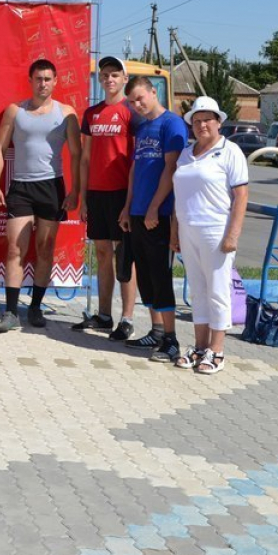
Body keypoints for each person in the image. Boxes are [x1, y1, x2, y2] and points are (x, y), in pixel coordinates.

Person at [0, 59, 81, 332]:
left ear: (55, 81)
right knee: (15, 248)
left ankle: (36, 307)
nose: (43, 84)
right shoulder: (15, 111)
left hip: (51, 187)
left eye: (48, 79)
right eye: (38, 79)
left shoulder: (67, 113)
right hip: (21, 188)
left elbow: (77, 155)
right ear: (30, 81)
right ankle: (10, 312)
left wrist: (76, 190)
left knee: (45, 248)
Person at [168, 97, 249, 375]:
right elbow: (179, 195)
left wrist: (232, 235)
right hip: (188, 229)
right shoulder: (185, 154)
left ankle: (217, 350)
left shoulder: (230, 152)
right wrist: (175, 230)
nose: (202, 125)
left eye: (207, 120)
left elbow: (241, 196)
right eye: (197, 121)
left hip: (216, 230)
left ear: (218, 122)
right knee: (198, 291)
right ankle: (200, 347)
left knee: (217, 290)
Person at [119, 76, 188, 362]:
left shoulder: (172, 124)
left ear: (153, 92)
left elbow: (171, 170)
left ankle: (171, 340)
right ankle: (156, 331)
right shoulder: (143, 126)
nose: (137, 105)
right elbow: (136, 170)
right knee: (145, 276)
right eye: (132, 101)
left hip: (158, 215)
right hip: (137, 212)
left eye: (140, 98)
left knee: (160, 276)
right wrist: (128, 207)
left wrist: (154, 208)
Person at [73, 56, 137, 340]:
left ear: (125, 79)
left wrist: (130, 203)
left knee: (124, 257)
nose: (109, 79)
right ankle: (104, 315)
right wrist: (84, 197)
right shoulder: (92, 113)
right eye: (105, 75)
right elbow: (85, 158)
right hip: (96, 193)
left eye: (115, 75)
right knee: (102, 254)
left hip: (122, 193)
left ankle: (127, 319)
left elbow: (135, 160)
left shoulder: (132, 112)